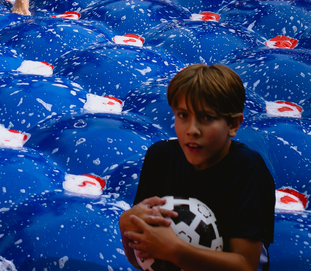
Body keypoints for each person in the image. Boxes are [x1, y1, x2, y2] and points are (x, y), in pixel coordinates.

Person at [118, 64, 275, 270]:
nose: (192, 130)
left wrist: (176, 251)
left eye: (207, 118)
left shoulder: (247, 168)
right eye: (183, 115)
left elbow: (245, 265)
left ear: (234, 124)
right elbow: (141, 261)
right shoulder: (160, 157)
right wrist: (126, 224)